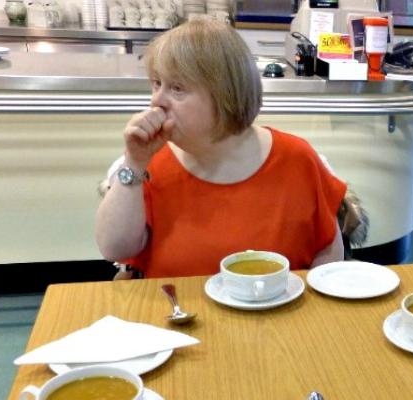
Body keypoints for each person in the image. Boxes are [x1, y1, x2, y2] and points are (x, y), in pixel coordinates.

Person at [95, 20, 346, 278]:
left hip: (277, 313)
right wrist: (134, 164)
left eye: (177, 88)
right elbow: (114, 249)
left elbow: (328, 253)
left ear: (226, 96)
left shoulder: (297, 158)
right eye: (157, 83)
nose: (156, 100)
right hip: (176, 312)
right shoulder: (151, 163)